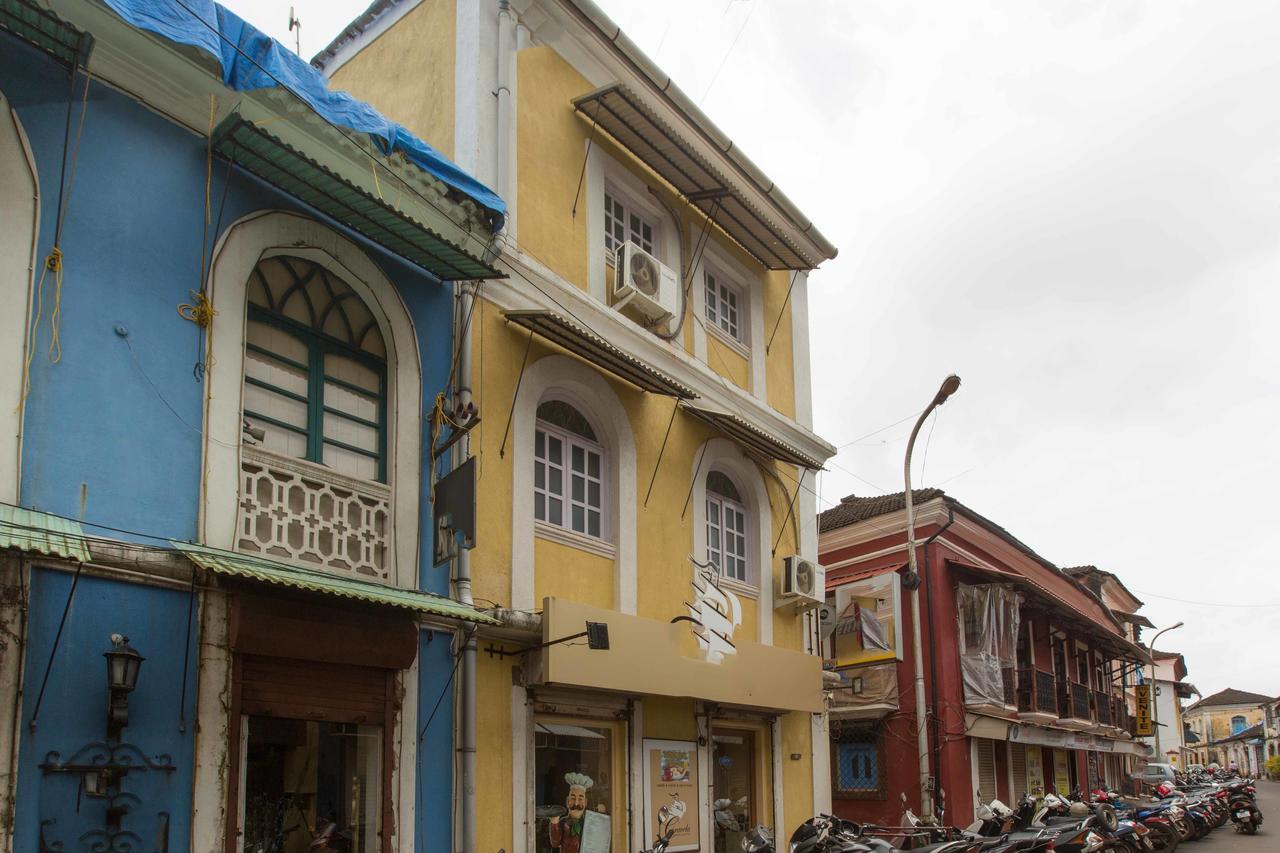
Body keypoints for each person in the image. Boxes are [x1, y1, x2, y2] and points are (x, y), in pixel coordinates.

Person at [549, 773, 595, 853]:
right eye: (573, 798)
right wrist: (554, 823)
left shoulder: (589, 823)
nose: (576, 803)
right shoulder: (563, 822)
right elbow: (555, 843)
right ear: (567, 801)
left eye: (580, 799)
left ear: (586, 802)